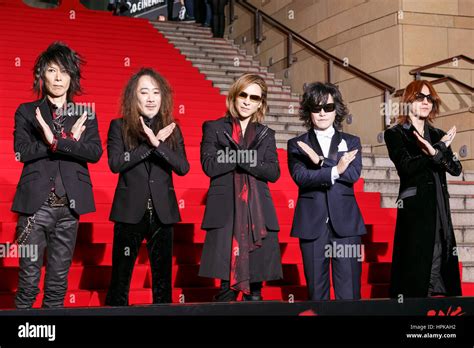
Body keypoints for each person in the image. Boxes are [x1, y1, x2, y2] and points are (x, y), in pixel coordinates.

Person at [12, 42, 103, 308]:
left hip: (68, 210)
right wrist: (55, 141)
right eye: (52, 70)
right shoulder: (27, 112)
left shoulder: (85, 114)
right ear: (42, 74)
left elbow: (94, 152)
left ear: (73, 76)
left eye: (64, 71)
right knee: (28, 284)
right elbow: (21, 152)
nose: (59, 77)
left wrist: (59, 141)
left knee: (57, 285)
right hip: (34, 209)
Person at [105, 68, 189, 306]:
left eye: (156, 92)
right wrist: (149, 146)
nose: (151, 98)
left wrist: (159, 144)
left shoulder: (172, 128)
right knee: (120, 280)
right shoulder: (118, 126)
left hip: (163, 215)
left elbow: (183, 167)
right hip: (129, 213)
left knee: (163, 283)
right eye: (144, 92)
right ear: (134, 96)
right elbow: (116, 163)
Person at [199, 73, 282, 301]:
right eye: (243, 95)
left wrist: (239, 157)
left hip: (258, 216)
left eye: (254, 98)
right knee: (226, 288)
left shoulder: (266, 134)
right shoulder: (214, 127)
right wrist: (246, 157)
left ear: (260, 103)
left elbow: (273, 172)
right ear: (234, 96)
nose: (247, 101)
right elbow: (210, 165)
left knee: (255, 291)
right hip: (225, 213)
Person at [287, 82, 366, 300]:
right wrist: (336, 168)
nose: (322, 113)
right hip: (312, 225)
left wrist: (321, 161)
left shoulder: (352, 141)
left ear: (336, 110)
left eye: (328, 108)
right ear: (308, 111)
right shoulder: (297, 144)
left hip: (346, 225)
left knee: (349, 293)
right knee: (317, 294)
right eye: (316, 108)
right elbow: (302, 178)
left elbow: (352, 175)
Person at [384, 80, 462, 298]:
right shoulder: (396, 133)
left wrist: (437, 151)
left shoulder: (438, 134)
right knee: (415, 272)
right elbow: (407, 167)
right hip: (415, 211)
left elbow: (455, 168)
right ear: (408, 100)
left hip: (439, 207)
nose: (426, 102)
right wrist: (436, 151)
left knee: (438, 260)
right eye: (420, 97)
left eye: (430, 98)